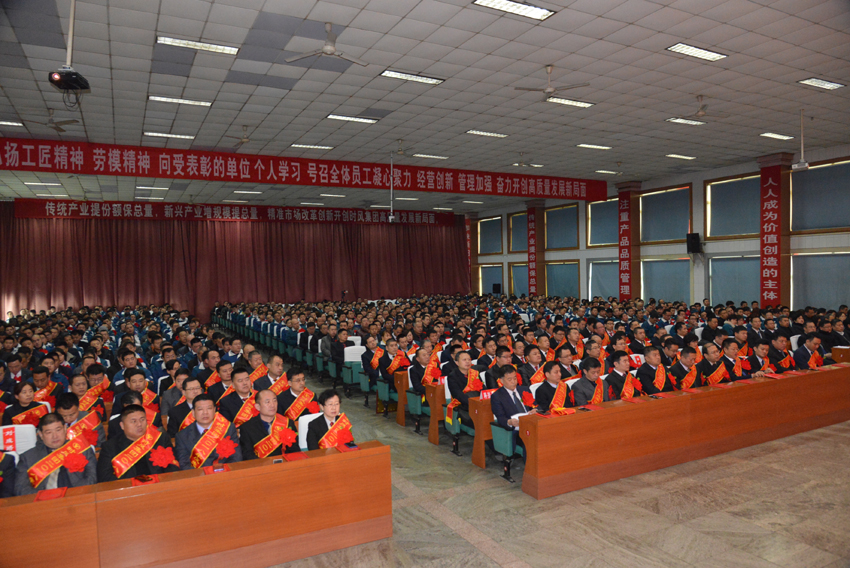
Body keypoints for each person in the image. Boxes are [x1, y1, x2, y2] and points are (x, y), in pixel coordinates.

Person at [14, 412, 97, 495]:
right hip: (44, 501)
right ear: (41, 435)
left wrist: (75, 494)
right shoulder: (28, 457)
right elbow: (21, 489)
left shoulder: (81, 448)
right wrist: (47, 496)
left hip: (78, 496)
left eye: (58, 430)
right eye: (49, 432)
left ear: (65, 429)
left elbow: (92, 478)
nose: (55, 436)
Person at [96, 404, 179, 481]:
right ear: (122, 425)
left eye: (142, 420)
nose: (139, 424)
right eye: (134, 421)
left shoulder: (160, 438)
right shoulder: (110, 447)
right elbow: (104, 477)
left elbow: (173, 466)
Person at [174, 393, 242, 469]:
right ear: (193, 412)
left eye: (209, 408)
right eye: (200, 409)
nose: (205, 412)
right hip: (198, 475)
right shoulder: (182, 436)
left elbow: (236, 457)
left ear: (214, 410)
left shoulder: (228, 428)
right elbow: (184, 465)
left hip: (225, 473)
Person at [239, 389, 299, 460]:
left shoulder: (287, 423)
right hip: (261, 465)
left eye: (274, 401)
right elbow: (247, 455)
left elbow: (295, 451)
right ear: (258, 407)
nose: (272, 405)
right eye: (267, 402)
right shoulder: (247, 428)